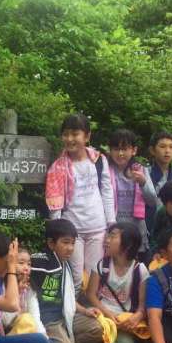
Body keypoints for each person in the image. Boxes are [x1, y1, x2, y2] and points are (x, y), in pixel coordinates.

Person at [45, 113, 115, 289]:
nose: (70, 139)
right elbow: (55, 204)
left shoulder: (99, 161)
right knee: (75, 278)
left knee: (94, 277)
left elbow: (107, 192)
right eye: (66, 134)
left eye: (75, 134)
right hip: (72, 231)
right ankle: (73, 307)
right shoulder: (58, 167)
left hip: (98, 229)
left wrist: (111, 225)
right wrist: (57, 232)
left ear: (87, 136)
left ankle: (91, 306)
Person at [30, 219, 103, 343]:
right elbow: (23, 268)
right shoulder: (39, 262)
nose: (70, 248)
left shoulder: (64, 263)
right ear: (51, 243)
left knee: (98, 328)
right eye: (65, 242)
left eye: (73, 243)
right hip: (48, 323)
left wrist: (85, 311)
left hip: (65, 317)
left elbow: (67, 298)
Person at [87, 222, 150, 343]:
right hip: (102, 317)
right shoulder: (102, 265)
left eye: (112, 236)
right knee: (97, 333)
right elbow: (91, 294)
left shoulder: (140, 270)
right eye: (107, 236)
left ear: (128, 244)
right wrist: (108, 314)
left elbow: (142, 306)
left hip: (124, 321)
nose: (106, 240)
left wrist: (136, 317)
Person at [107, 128, 157, 262]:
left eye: (124, 149)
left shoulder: (141, 170)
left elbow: (152, 201)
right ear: (110, 150)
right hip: (113, 229)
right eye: (116, 149)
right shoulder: (105, 171)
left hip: (137, 232)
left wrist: (143, 183)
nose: (120, 153)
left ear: (134, 150)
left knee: (137, 270)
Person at [1, 247, 47, 337]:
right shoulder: (2, 287)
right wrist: (17, 292)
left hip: (25, 334)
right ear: (10, 265)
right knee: (26, 319)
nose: (26, 268)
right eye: (21, 263)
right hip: (5, 335)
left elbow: (35, 318)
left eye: (29, 264)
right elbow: (6, 321)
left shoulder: (29, 289)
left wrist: (45, 339)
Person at [147, 131, 172, 233]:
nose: (167, 151)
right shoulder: (144, 173)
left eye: (171, 147)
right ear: (152, 150)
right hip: (148, 226)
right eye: (162, 146)